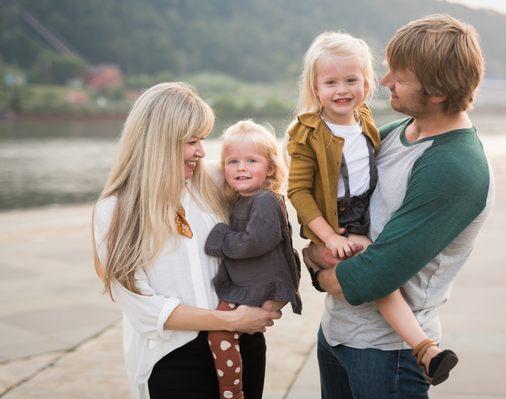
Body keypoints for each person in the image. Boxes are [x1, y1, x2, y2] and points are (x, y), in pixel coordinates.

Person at [303, 15, 495, 399]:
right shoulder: (395, 133)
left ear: (437, 92)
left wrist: (319, 270)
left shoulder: (454, 167)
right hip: (339, 336)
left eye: (400, 77)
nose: (386, 80)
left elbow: (375, 275)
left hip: (389, 357)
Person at [287, 30, 458, 388]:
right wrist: (328, 237)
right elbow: (298, 191)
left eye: (352, 80)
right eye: (330, 82)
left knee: (377, 275)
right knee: (378, 276)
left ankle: (425, 347)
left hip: (363, 214)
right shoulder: (306, 132)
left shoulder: (365, 121)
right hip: (338, 220)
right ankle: (424, 347)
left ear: (366, 84)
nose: (341, 90)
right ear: (315, 88)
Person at [92, 82, 281, 399]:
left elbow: (274, 187)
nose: (202, 151)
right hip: (174, 356)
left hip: (242, 344)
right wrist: (229, 319)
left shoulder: (214, 179)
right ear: (159, 142)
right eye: (192, 141)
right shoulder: (115, 210)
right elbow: (145, 310)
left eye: (203, 139)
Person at [204, 120, 302, 399]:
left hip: (261, 284)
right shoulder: (241, 199)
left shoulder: (265, 200)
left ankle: (232, 391)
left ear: (270, 168)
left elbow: (254, 242)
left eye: (251, 160)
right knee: (228, 333)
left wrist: (220, 237)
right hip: (250, 282)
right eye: (232, 161)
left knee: (220, 333)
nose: (241, 168)